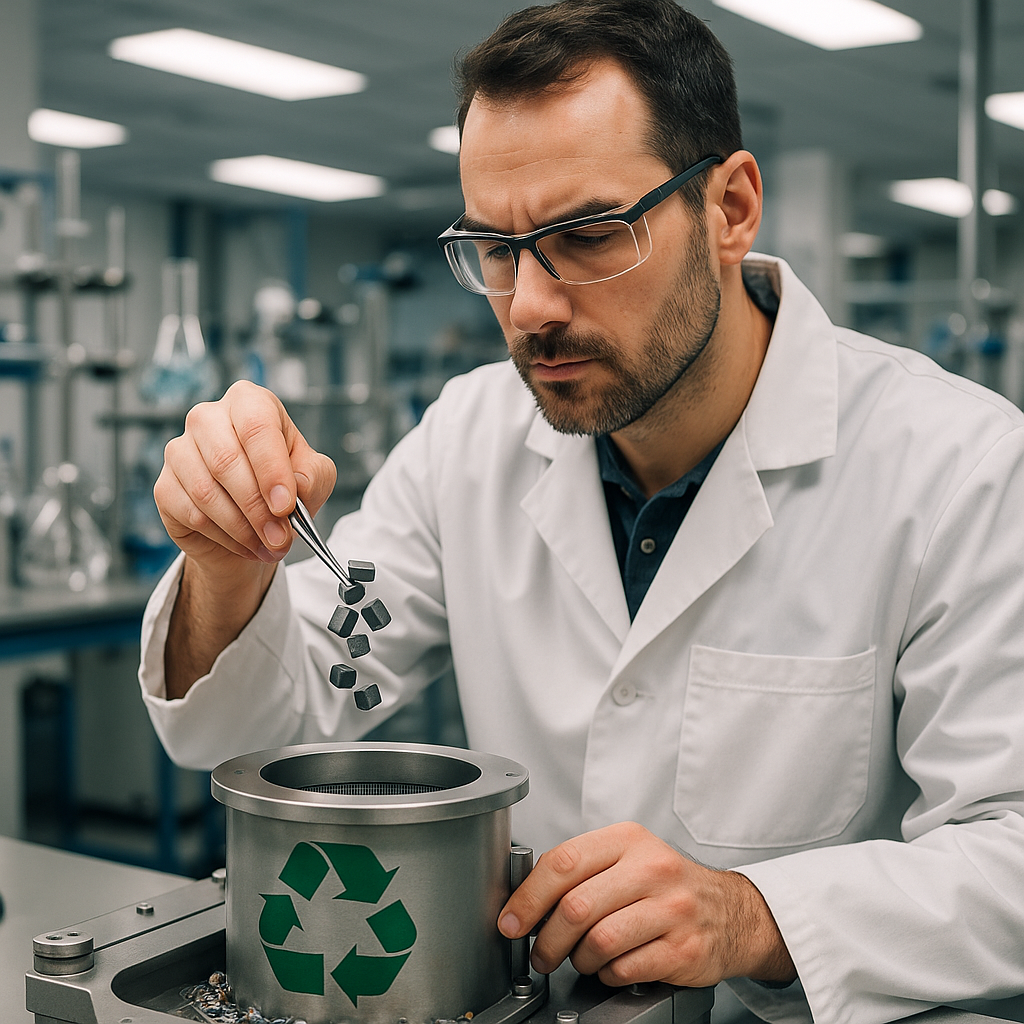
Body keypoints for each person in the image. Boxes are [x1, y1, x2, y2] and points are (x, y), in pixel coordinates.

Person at [140, 3, 1024, 1023]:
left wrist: (753, 915)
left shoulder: (958, 466)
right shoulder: (470, 436)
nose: (530, 308)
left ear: (730, 208)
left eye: (588, 235)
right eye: (497, 249)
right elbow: (271, 734)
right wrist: (225, 566)